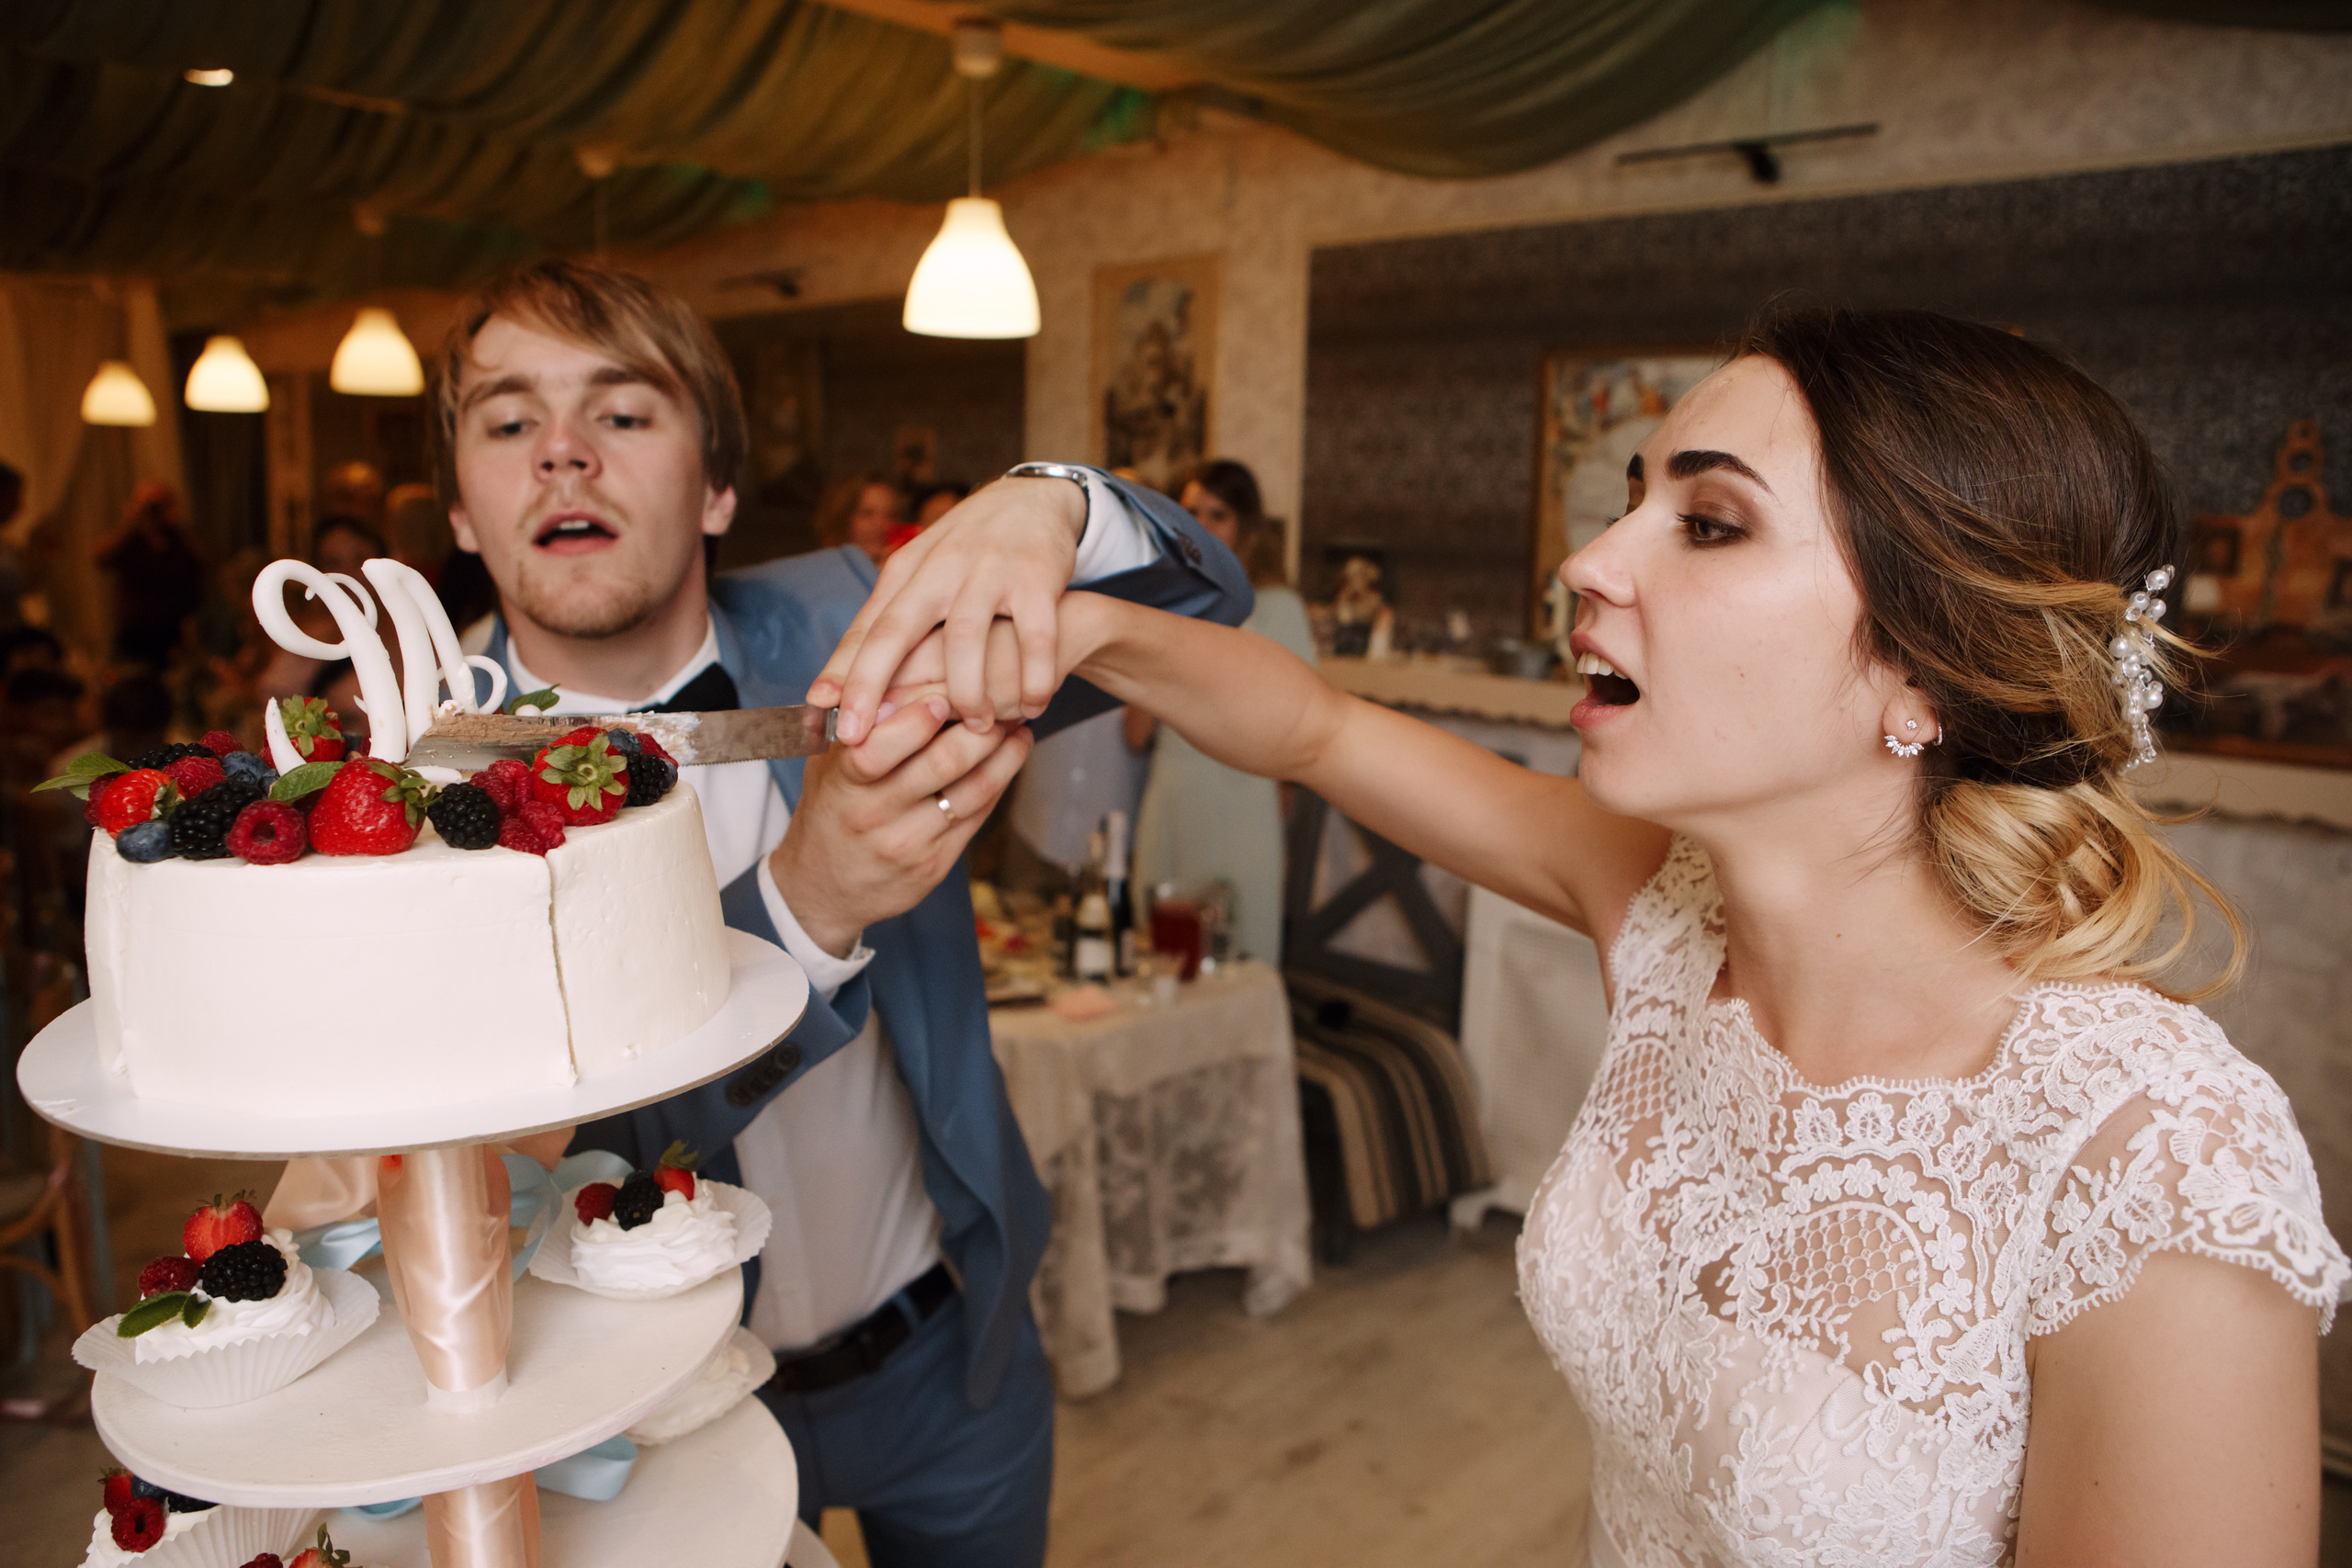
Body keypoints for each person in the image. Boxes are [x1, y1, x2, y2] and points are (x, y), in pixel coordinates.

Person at [831, 308, 2348, 1567]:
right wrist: (1065, 587)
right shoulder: (1672, 922)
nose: (1588, 563)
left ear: (1925, 665)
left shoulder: (2156, 1164)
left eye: (1706, 521)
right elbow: (1310, 724)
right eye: (1632, 500)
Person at [434, 259, 1249, 1565]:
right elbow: (532, 1166)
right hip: (660, 1419)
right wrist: (803, 905)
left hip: (958, 1359)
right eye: (509, 419)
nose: (565, 455)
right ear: (465, 509)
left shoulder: (849, 618)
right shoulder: (418, 790)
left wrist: (1045, 505)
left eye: (624, 413)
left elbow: (1206, 597)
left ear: (716, 485)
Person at [1123, 459, 1314, 964]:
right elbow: (1135, 733)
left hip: (1240, 797)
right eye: (1189, 512)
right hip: (1174, 792)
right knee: (1159, 951)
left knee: (1237, 951)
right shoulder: (1165, 601)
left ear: (1247, 528)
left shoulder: (1276, 608)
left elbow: (1295, 725)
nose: (1201, 526)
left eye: (1218, 514)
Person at [94, 480, 206, 668]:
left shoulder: (177, 538)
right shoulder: (130, 539)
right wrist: (131, 521)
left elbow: (204, 562)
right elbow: (99, 558)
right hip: (135, 630)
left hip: (172, 628)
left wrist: (177, 523)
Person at [811, 471, 904, 566]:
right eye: (867, 514)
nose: (881, 524)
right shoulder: (819, 569)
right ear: (842, 519)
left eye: (890, 515)